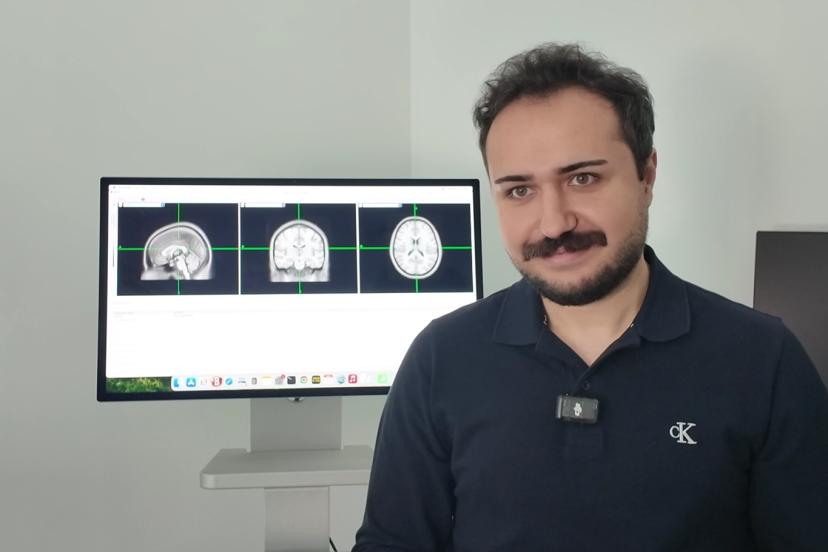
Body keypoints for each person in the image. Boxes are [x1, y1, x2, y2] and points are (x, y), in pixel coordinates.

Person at [353, 43, 828, 551]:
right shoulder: (441, 358)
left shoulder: (763, 361)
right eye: (519, 190)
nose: (554, 223)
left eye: (583, 178)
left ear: (647, 176)